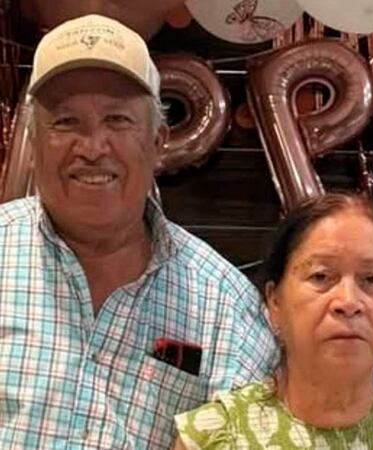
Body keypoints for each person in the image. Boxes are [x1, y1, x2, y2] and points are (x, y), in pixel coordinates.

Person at [0, 14, 279, 449]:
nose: (92, 148)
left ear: (158, 141)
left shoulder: (224, 304)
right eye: (65, 122)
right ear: (31, 143)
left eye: (117, 120)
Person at [173, 194, 373, 450]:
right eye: (321, 276)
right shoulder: (211, 437)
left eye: (371, 279)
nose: (348, 302)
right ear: (275, 302)